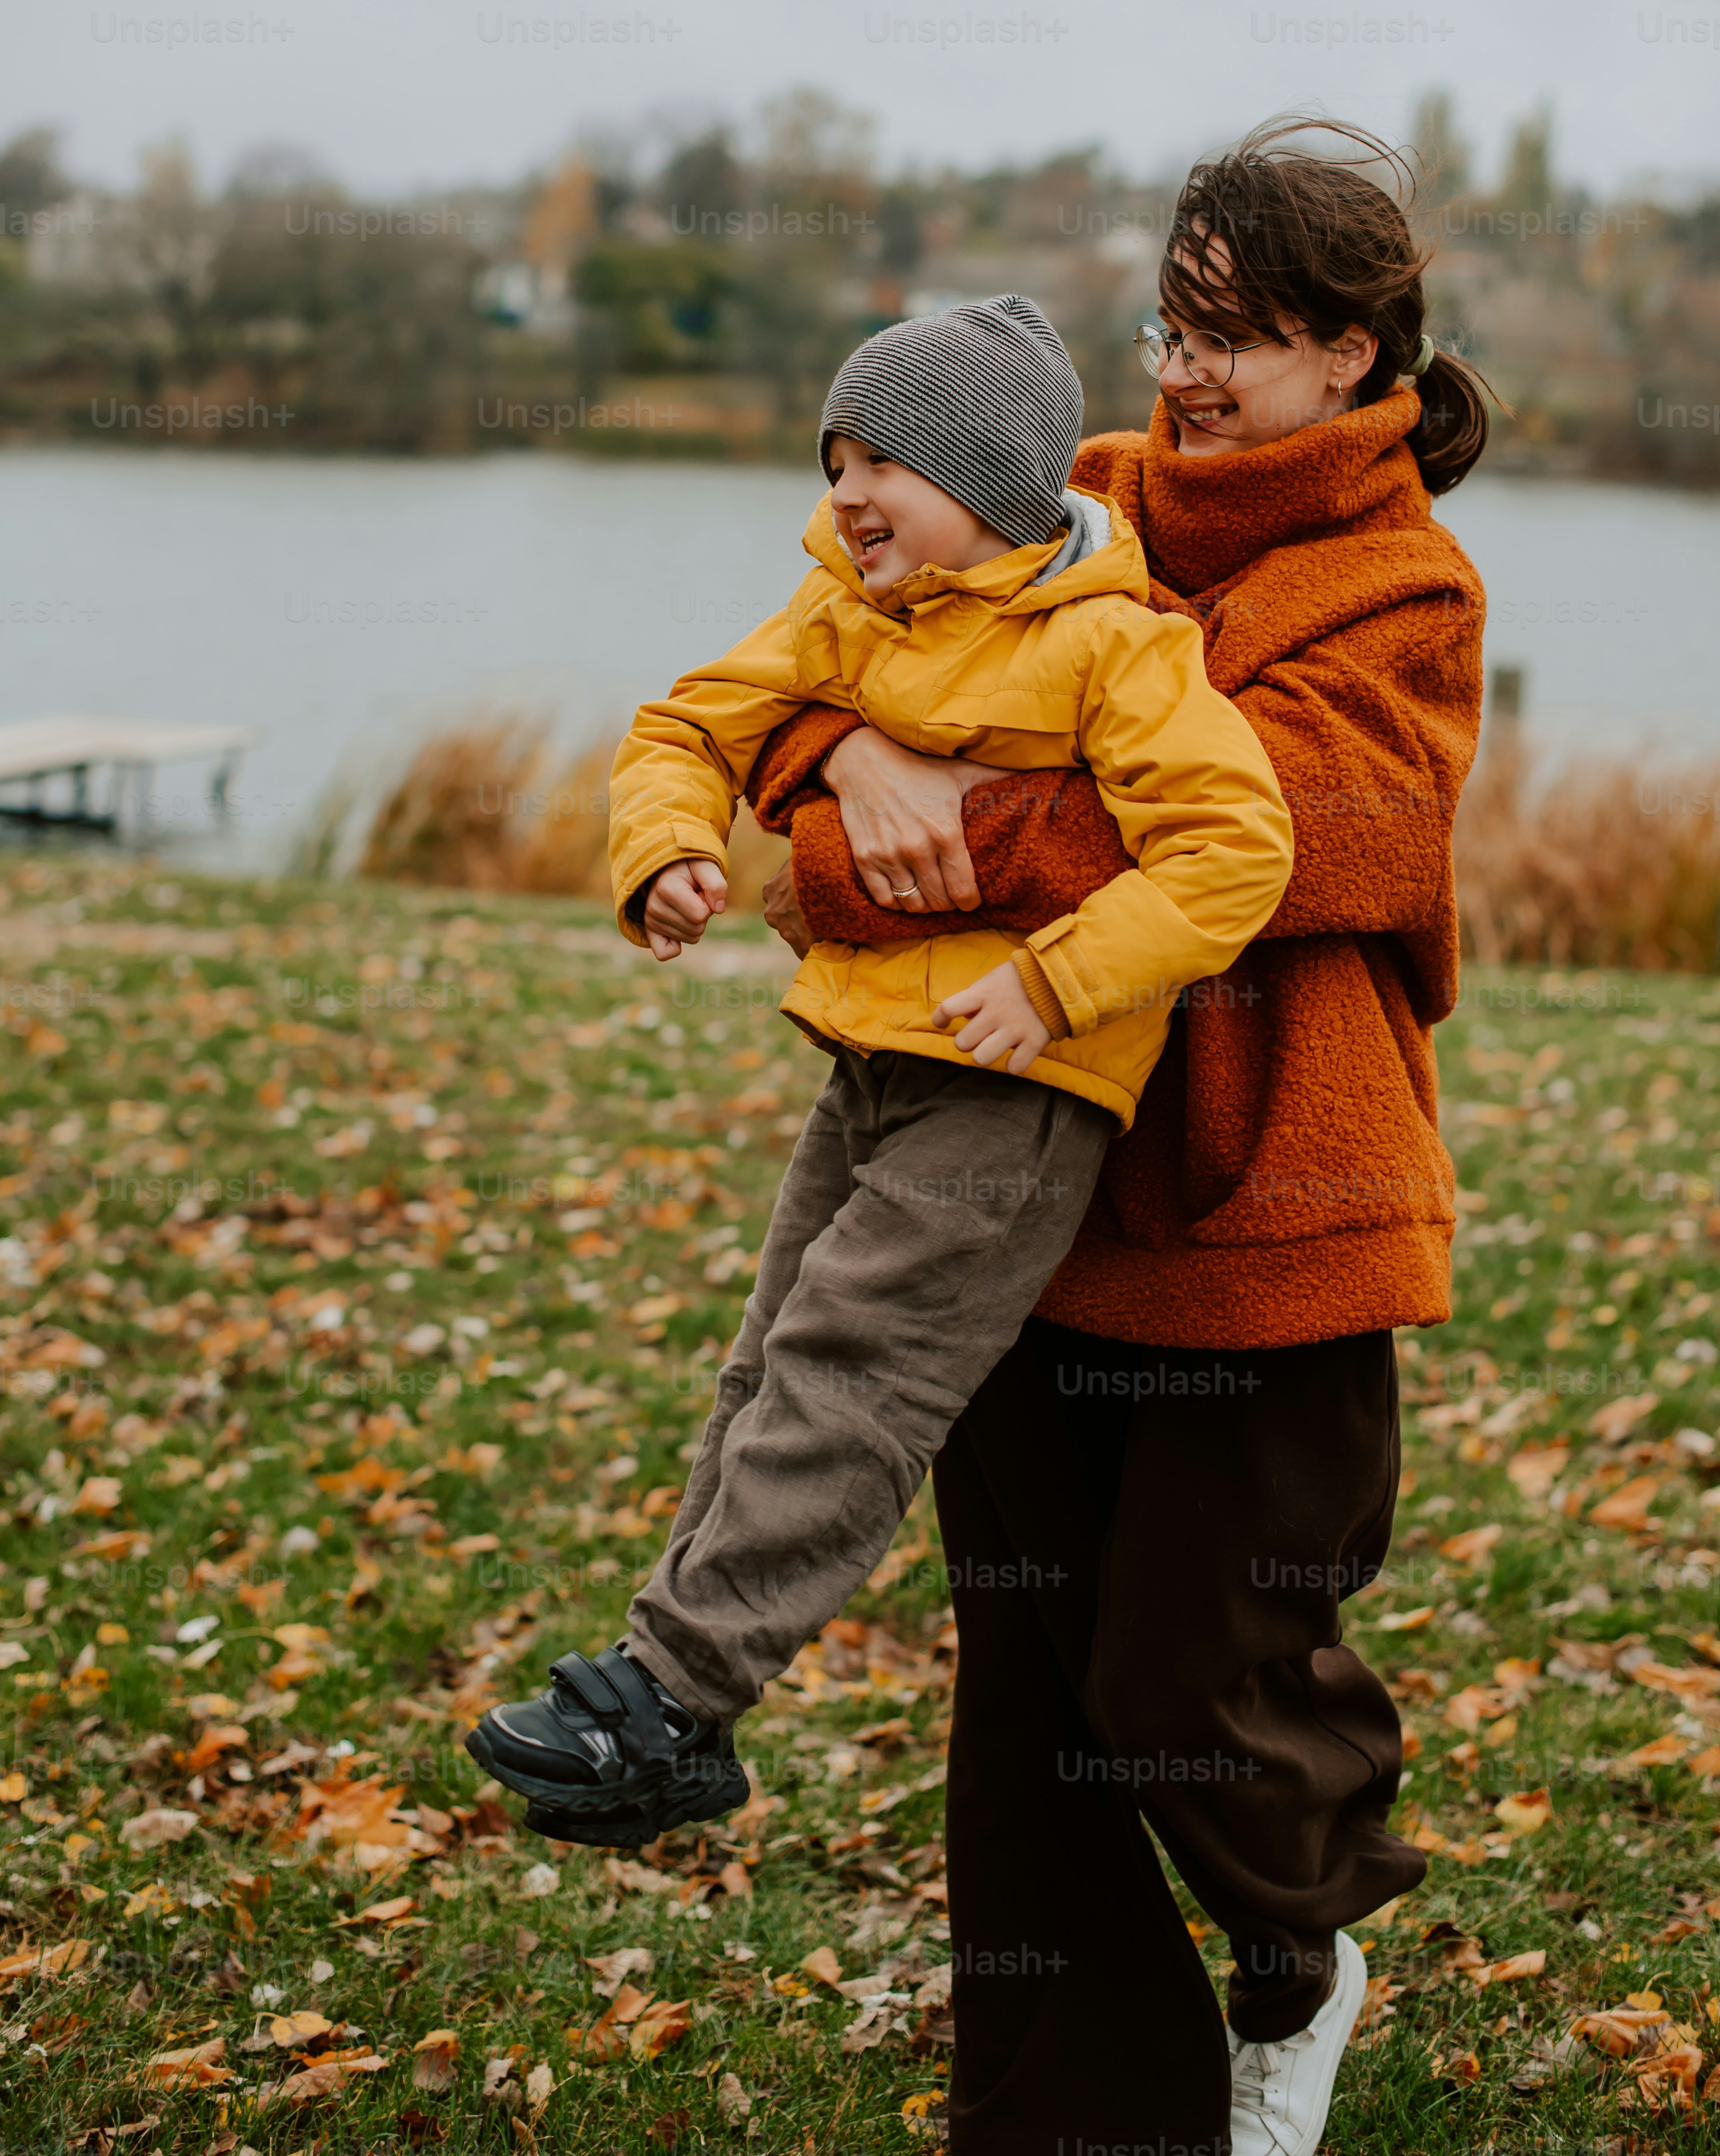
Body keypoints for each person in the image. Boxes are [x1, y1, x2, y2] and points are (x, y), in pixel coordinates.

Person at [746, 121, 1490, 2156]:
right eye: (1173, 322)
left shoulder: (1400, 585)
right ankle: (1070, 2114)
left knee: (1192, 1665)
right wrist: (856, 747)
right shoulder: (1061, 503)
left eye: (1236, 336)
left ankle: (1301, 1931)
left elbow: (1314, 837)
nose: (1183, 369)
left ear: (1352, 355)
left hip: (1267, 1194)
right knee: (1027, 1698)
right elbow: (801, 670)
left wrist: (944, 817)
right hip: (1017, 1165)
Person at [468, 291, 1293, 1849]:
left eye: (883, 462)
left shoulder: (1113, 643)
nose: (845, 492)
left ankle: (680, 1685)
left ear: (986, 481)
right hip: (869, 1059)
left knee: (853, 1370)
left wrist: (1059, 981)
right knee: (773, 1352)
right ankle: (661, 1690)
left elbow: (1236, 847)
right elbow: (682, 729)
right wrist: (663, 854)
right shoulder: (849, 610)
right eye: (836, 456)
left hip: (1022, 1091)